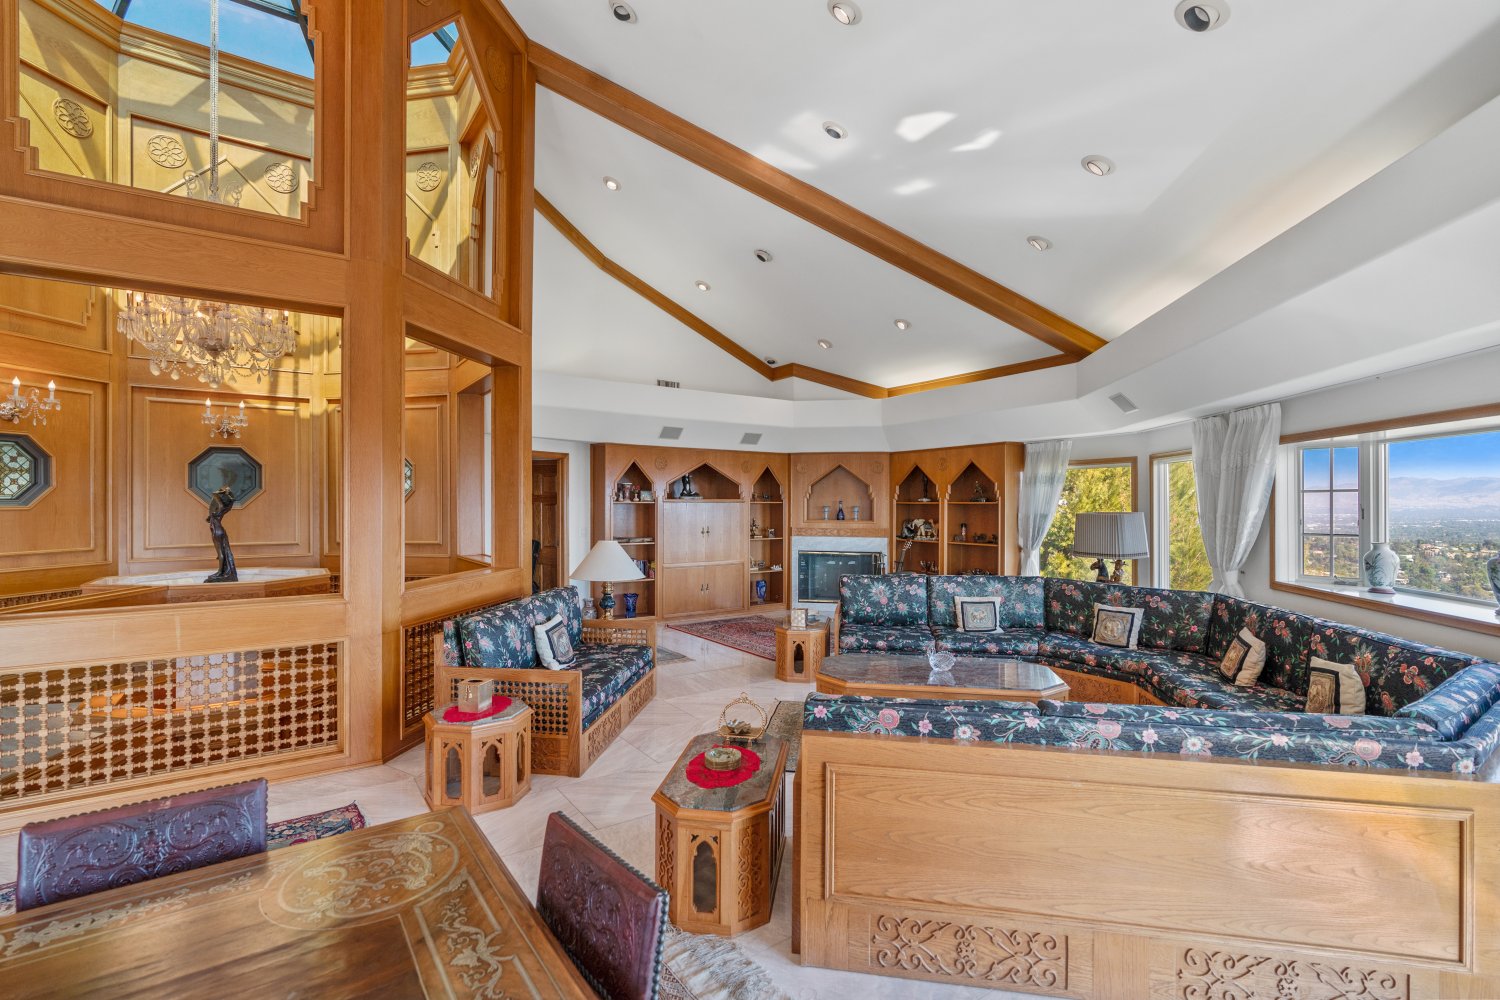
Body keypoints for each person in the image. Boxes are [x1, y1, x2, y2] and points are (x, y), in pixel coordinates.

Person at [204, 485, 239, 583]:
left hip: (217, 531)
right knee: (221, 551)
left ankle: (220, 572)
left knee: (220, 553)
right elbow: (208, 519)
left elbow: (215, 496)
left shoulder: (219, 509)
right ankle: (221, 571)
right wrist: (227, 493)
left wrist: (220, 494)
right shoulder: (222, 510)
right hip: (220, 530)